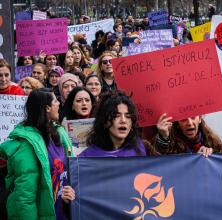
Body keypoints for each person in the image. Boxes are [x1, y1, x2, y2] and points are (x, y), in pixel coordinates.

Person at [0, 88, 74, 219]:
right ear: (47, 108)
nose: (59, 103)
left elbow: (71, 169)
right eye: (56, 100)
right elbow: (25, 196)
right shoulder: (25, 145)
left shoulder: (60, 133)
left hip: (63, 212)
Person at [79, 91, 158, 157]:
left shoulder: (143, 147)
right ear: (105, 122)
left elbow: (163, 166)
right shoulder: (87, 157)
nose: (123, 120)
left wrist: (164, 137)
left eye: (128, 116)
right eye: (116, 116)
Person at [155, 114, 222, 156]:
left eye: (193, 117)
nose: (189, 123)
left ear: (199, 119)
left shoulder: (214, 143)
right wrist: (163, 136)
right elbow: (164, 160)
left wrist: (212, 157)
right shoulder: (171, 144)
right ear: (178, 124)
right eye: (183, 119)